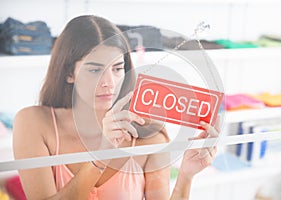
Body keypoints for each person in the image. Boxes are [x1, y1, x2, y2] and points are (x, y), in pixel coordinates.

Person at [13, 15, 220, 200]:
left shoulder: (148, 134)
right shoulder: (34, 123)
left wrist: (186, 176)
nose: (109, 82)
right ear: (69, 73)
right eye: (94, 70)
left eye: (118, 68)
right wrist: (103, 152)